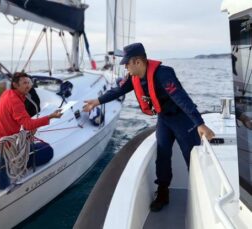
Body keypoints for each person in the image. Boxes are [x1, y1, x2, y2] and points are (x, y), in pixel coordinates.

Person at [83, 42, 215, 212]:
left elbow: (181, 98)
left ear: (138, 62)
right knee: (162, 155)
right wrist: (97, 101)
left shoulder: (163, 74)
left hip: (182, 120)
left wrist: (199, 123)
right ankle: (162, 193)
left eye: (127, 63)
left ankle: (203, 197)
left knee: (192, 158)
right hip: (164, 120)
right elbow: (118, 91)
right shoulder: (134, 77)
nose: (126, 68)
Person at [0, 72, 62, 189]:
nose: (28, 86)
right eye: (24, 83)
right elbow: (27, 124)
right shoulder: (16, 101)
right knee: (3, 183)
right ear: (15, 85)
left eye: (29, 82)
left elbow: (17, 118)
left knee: (40, 149)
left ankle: (9, 162)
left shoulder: (8, 93)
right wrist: (50, 117)